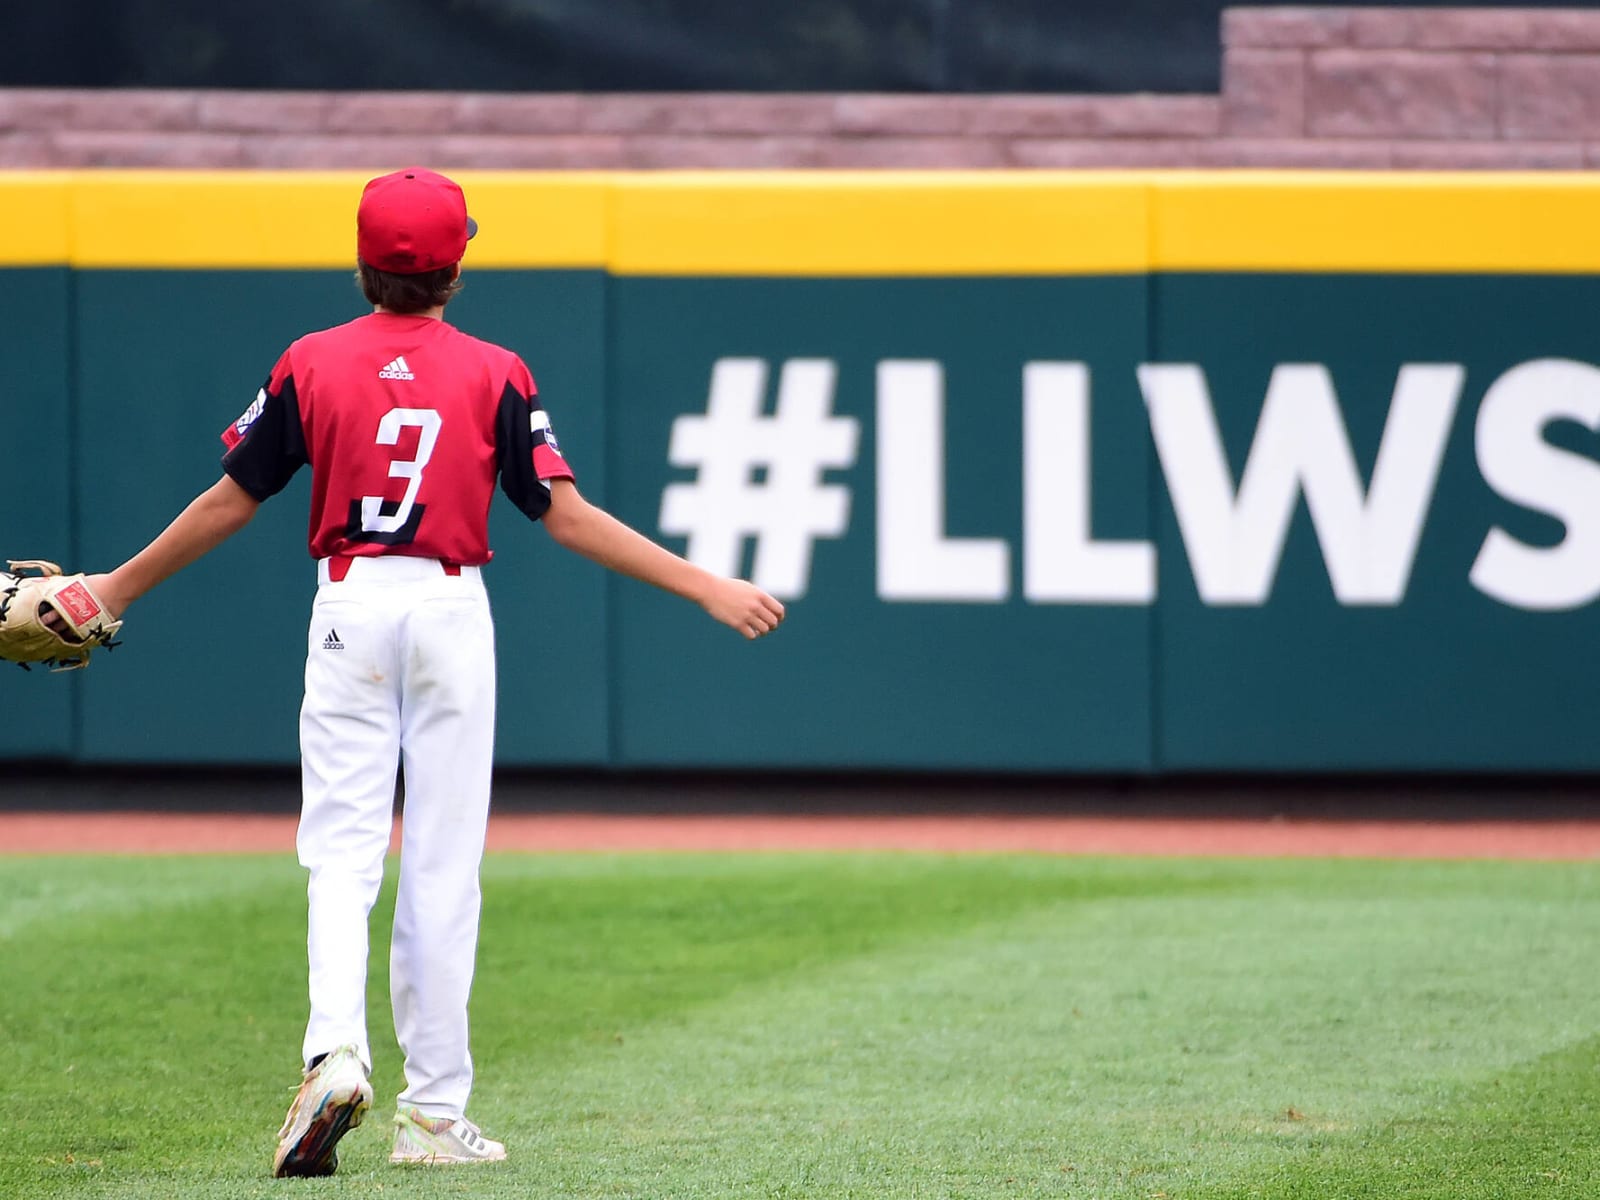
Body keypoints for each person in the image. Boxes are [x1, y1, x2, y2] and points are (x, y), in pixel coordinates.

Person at [83, 167, 785, 1177]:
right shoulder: (496, 369)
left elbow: (231, 499)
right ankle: (433, 1114)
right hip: (451, 607)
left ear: (361, 262)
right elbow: (567, 514)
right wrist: (705, 585)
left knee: (340, 851)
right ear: (458, 266)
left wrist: (115, 587)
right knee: (444, 866)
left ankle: (333, 1052)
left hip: (351, 603)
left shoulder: (310, 361)